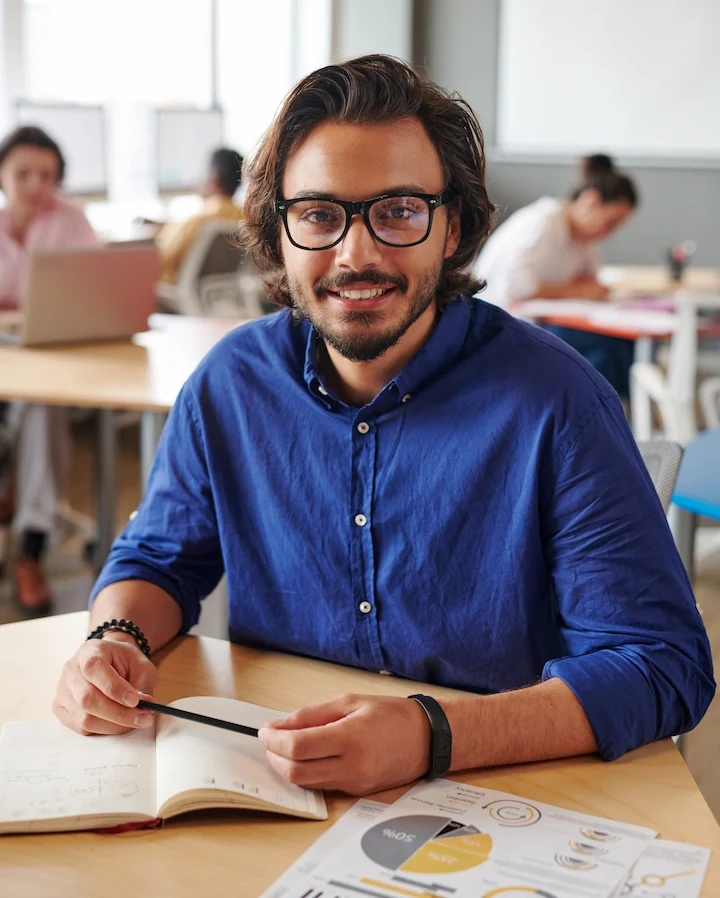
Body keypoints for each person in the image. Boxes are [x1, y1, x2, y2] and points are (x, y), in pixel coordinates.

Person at [53, 56, 713, 796]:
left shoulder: (558, 403)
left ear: (451, 225)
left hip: (506, 791)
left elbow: (661, 665)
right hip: (276, 784)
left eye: (398, 210)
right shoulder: (230, 386)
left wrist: (433, 734)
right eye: (319, 215)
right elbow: (158, 560)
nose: (356, 253)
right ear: (282, 231)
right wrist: (115, 638)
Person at [0, 125, 99, 613]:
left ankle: (30, 547)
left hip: (47, 356)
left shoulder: (72, 221)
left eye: (47, 175)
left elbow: (94, 290)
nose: (36, 185)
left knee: (38, 405)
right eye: (23, 174)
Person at [475, 154, 638, 397]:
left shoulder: (581, 238)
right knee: (609, 351)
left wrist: (581, 288)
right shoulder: (542, 223)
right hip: (499, 327)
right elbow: (516, 286)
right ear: (590, 201)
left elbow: (591, 281)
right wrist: (574, 290)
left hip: (537, 321)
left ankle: (617, 419)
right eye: (610, 222)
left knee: (614, 350)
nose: (609, 233)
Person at [155, 147, 243, 284]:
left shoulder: (199, 222)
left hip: (176, 294)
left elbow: (161, 257)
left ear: (213, 178)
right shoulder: (246, 218)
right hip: (219, 294)